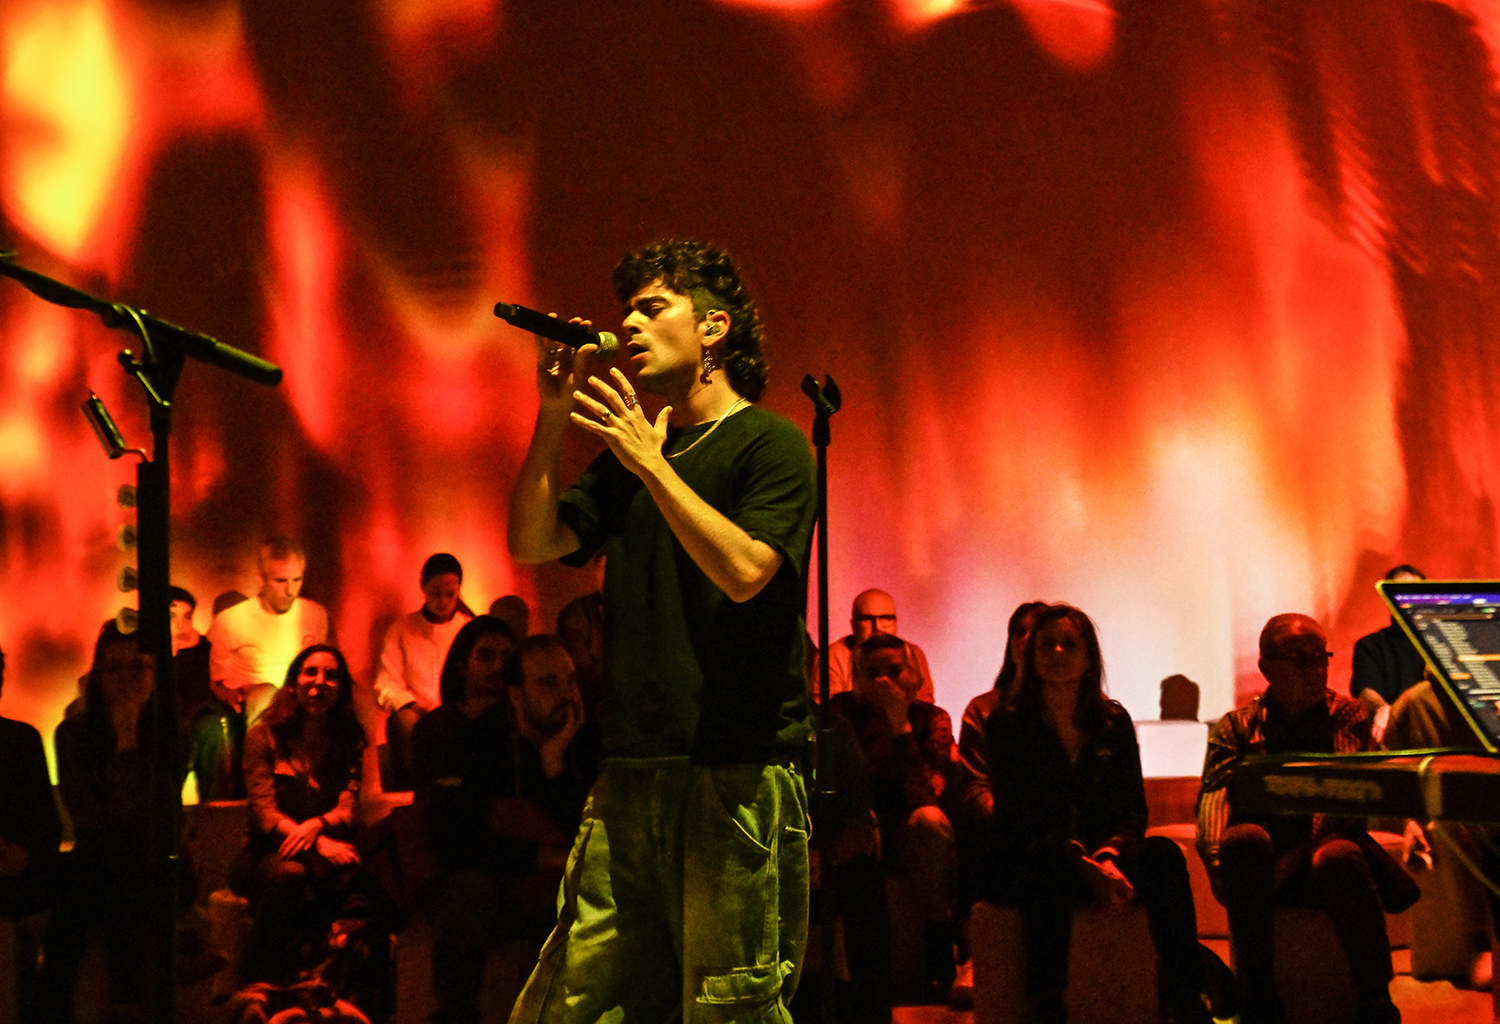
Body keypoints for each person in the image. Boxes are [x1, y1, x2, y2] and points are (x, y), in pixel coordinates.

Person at [506, 239, 816, 1023]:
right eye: (627, 311)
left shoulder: (770, 443)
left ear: (712, 328)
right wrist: (552, 416)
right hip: (630, 768)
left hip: (733, 769)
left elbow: (747, 570)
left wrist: (653, 466)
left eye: (651, 308)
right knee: (583, 1001)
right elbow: (534, 541)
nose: (629, 326)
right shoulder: (637, 455)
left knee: (727, 1005)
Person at [985, 604, 1209, 1024]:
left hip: (1104, 855)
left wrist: (1108, 856)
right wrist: (1081, 862)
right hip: (1039, 855)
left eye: (1069, 644)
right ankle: (1049, 1003)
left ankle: (1184, 999)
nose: (1057, 652)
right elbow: (1018, 816)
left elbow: (1132, 808)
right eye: (1047, 645)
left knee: (1164, 856)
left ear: (1089, 659)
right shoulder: (1007, 724)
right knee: (1045, 867)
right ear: (1031, 657)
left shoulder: (1112, 721)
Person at [1197, 613, 1417, 1024]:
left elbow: (1340, 800)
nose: (1314, 670)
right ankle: (1258, 993)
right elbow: (1213, 795)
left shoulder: (1346, 716)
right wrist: (1214, 859)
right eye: (1299, 659)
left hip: (1322, 851)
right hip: (1260, 864)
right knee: (1243, 841)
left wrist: (1294, 858)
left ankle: (1375, 997)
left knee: (1337, 855)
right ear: (1266, 667)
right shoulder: (1238, 726)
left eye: (1320, 657)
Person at [427, 635, 600, 1024]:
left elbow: (591, 829)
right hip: (498, 878)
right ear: (517, 695)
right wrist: (538, 856)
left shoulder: (589, 741)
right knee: (465, 892)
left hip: (565, 882)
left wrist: (554, 762)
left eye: (570, 681)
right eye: (549, 683)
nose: (567, 694)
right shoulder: (476, 742)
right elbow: (454, 837)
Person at [36, 622, 160, 1022]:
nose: (127, 679)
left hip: (159, 860)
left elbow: (154, 816)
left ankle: (56, 1008)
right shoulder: (72, 734)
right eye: (115, 668)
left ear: (154, 673)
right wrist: (124, 741)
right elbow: (88, 818)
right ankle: (125, 999)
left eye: (138, 667)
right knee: (106, 859)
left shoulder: (169, 732)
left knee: (105, 866)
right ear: (98, 675)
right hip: (104, 860)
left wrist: (131, 738)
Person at [828, 632, 959, 1001]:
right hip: (858, 829)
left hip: (908, 834)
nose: (884, 681)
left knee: (930, 821)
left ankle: (939, 959)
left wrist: (900, 726)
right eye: (872, 674)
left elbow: (928, 794)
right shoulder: (840, 715)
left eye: (894, 670)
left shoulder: (932, 719)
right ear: (856, 680)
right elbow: (838, 783)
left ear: (914, 676)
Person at [233, 644, 365, 982]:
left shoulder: (347, 738)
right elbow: (264, 812)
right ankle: (262, 977)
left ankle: (338, 979)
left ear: (341, 689)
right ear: (293, 684)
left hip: (326, 848)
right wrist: (315, 842)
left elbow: (348, 806)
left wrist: (317, 826)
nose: (320, 682)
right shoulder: (262, 736)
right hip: (266, 851)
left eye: (331, 676)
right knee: (291, 874)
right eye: (311, 673)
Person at [373, 553, 475, 790]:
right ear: (423, 588)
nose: (443, 601)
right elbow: (386, 681)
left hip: (458, 712)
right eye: (436, 594)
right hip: (417, 714)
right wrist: (411, 706)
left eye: (450, 594)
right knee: (404, 723)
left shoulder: (468, 629)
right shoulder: (402, 629)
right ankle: (417, 792)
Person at [0, 642, 62, 1020]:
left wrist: (21, 854)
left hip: (15, 886)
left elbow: (46, 827)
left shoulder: (21, 740)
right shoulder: (21, 740)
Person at [207, 536, 329, 727]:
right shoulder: (230, 621)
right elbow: (215, 680)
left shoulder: (315, 614)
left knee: (360, 698)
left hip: (303, 698)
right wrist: (227, 693)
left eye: (297, 579)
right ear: (261, 580)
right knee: (266, 694)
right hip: (255, 704)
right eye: (280, 581)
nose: (290, 590)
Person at [1351, 565, 1428, 740]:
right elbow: (1365, 688)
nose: (1408, 598)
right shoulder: (1371, 645)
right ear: (1388, 599)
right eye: (1400, 592)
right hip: (1395, 735)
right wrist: (1382, 708)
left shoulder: (1442, 640)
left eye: (1415, 592)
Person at [824, 590, 935, 702]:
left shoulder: (912, 653)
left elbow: (925, 703)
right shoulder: (831, 657)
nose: (877, 627)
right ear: (853, 625)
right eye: (867, 619)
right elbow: (826, 708)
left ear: (895, 622)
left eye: (886, 618)